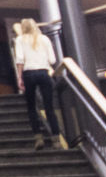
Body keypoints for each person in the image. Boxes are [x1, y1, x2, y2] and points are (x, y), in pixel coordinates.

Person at [11, 18, 66, 151]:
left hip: (29, 74)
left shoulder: (20, 40)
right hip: (43, 73)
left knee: (31, 107)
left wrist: (19, 78)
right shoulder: (45, 39)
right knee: (49, 107)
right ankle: (56, 140)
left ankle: (38, 138)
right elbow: (52, 59)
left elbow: (20, 60)